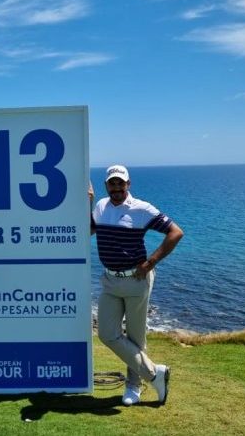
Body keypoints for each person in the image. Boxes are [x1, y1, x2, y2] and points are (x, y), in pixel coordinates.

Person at [90, 165, 183, 406]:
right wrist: (86, 204)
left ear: (128, 184)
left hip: (136, 279)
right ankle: (154, 373)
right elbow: (88, 230)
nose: (117, 187)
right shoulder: (100, 206)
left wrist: (150, 262)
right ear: (106, 186)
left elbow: (175, 232)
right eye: (113, 183)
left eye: (121, 183)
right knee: (106, 334)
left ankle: (134, 386)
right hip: (110, 280)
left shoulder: (141, 208)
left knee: (135, 336)